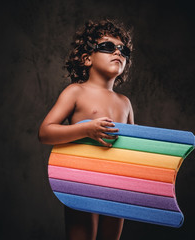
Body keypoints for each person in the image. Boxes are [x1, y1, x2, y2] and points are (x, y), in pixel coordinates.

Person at [38, 19, 134, 240]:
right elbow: (45, 132)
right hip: (81, 178)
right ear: (87, 58)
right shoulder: (76, 92)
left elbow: (130, 145)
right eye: (108, 47)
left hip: (117, 183)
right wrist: (87, 130)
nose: (118, 52)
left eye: (123, 50)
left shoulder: (125, 102)